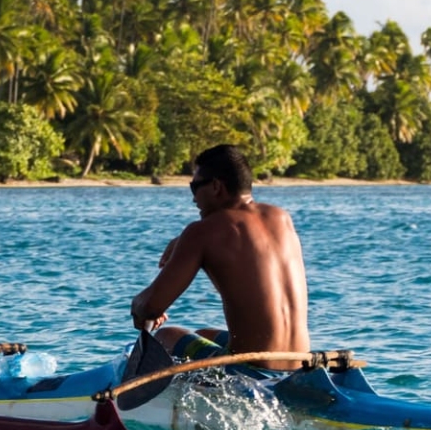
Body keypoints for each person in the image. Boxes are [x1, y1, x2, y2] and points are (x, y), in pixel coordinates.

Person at [130, 144, 311, 371]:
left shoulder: (201, 232)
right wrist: (182, 241)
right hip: (298, 362)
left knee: (167, 335)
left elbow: (150, 307)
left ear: (216, 186)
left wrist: (138, 305)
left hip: (250, 368)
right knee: (204, 334)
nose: (194, 198)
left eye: (194, 187)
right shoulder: (281, 218)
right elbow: (243, 239)